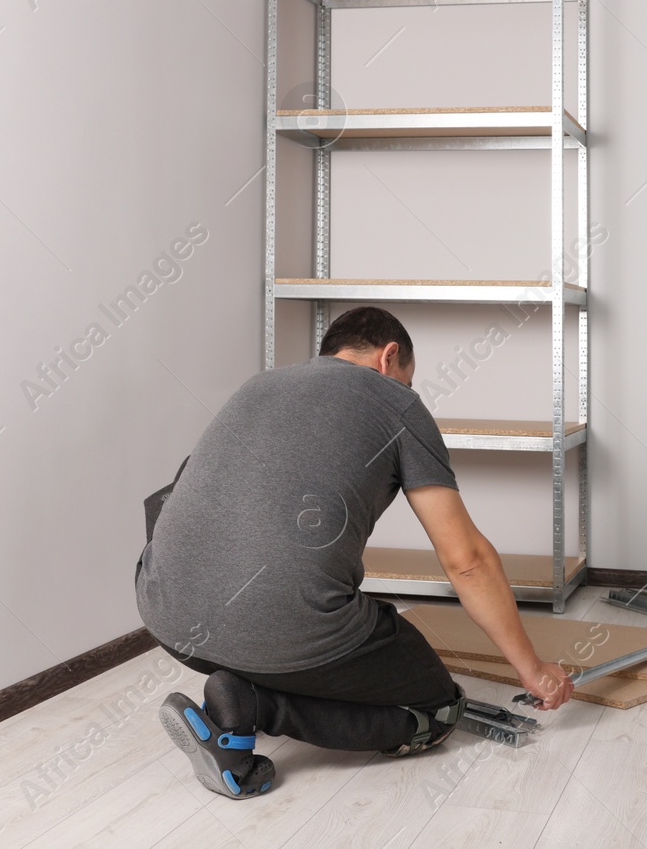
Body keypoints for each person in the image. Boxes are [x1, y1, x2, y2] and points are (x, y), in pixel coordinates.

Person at [134, 306, 574, 799]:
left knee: (278, 617)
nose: (406, 390)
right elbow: (466, 559)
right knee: (437, 712)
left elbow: (181, 495)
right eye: (407, 379)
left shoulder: (257, 386)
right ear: (390, 358)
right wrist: (533, 670)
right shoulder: (397, 403)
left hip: (167, 617)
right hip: (284, 623)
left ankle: (250, 665)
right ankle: (255, 703)